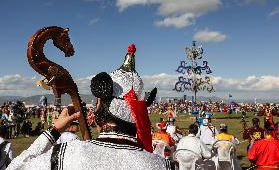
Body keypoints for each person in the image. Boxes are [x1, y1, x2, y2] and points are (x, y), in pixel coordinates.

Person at [7, 44, 171, 170]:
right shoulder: (163, 165)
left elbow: (15, 168)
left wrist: (54, 131)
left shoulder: (66, 155)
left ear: (100, 100)